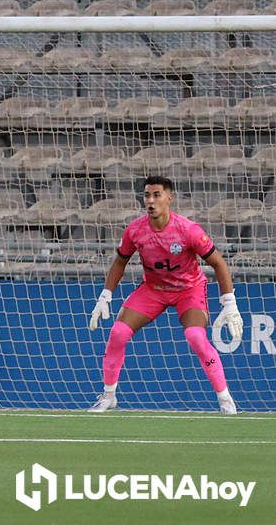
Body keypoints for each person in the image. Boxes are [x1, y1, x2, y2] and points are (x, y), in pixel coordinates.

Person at [88, 175, 243, 414]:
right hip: (154, 290)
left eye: (156, 195)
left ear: (169, 198)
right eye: (147, 195)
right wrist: (105, 295)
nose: (150, 201)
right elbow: (120, 262)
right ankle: (108, 396)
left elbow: (219, 264)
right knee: (118, 332)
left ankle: (225, 400)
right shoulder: (135, 230)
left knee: (196, 337)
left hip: (188, 290)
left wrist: (229, 303)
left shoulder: (188, 230)